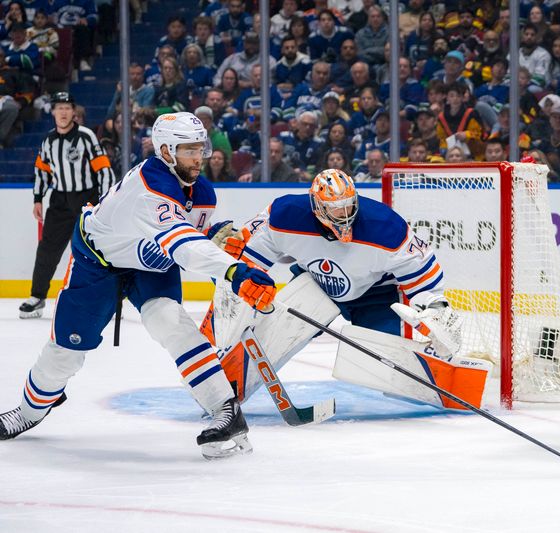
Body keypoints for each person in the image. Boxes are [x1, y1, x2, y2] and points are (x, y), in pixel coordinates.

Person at [0, 112, 277, 460]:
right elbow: (182, 243)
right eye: (189, 149)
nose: (199, 157)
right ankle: (29, 411)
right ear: (165, 150)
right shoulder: (150, 184)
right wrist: (235, 272)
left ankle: (226, 410)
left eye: (200, 148)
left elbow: (187, 235)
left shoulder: (202, 192)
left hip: (150, 264)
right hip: (98, 263)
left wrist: (214, 239)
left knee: (170, 321)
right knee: (65, 352)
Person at [202, 169, 466, 406]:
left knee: (393, 375)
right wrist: (229, 270)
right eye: (335, 209)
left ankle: (452, 384)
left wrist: (435, 309)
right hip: (314, 283)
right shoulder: (285, 215)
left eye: (348, 206)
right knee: (277, 334)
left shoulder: (386, 227)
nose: (345, 215)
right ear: (317, 207)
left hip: (376, 294)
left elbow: (424, 280)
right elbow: (245, 264)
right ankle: (223, 390)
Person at [20, 92, 115, 319]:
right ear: (53, 112)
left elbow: (104, 170)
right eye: (58, 108)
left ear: (74, 112)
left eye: (67, 108)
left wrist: (104, 202)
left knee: (96, 250)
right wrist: (37, 199)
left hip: (87, 198)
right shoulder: (48, 140)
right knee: (47, 250)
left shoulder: (86, 136)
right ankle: (37, 296)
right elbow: (41, 172)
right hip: (60, 200)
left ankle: (108, 298)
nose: (63, 112)